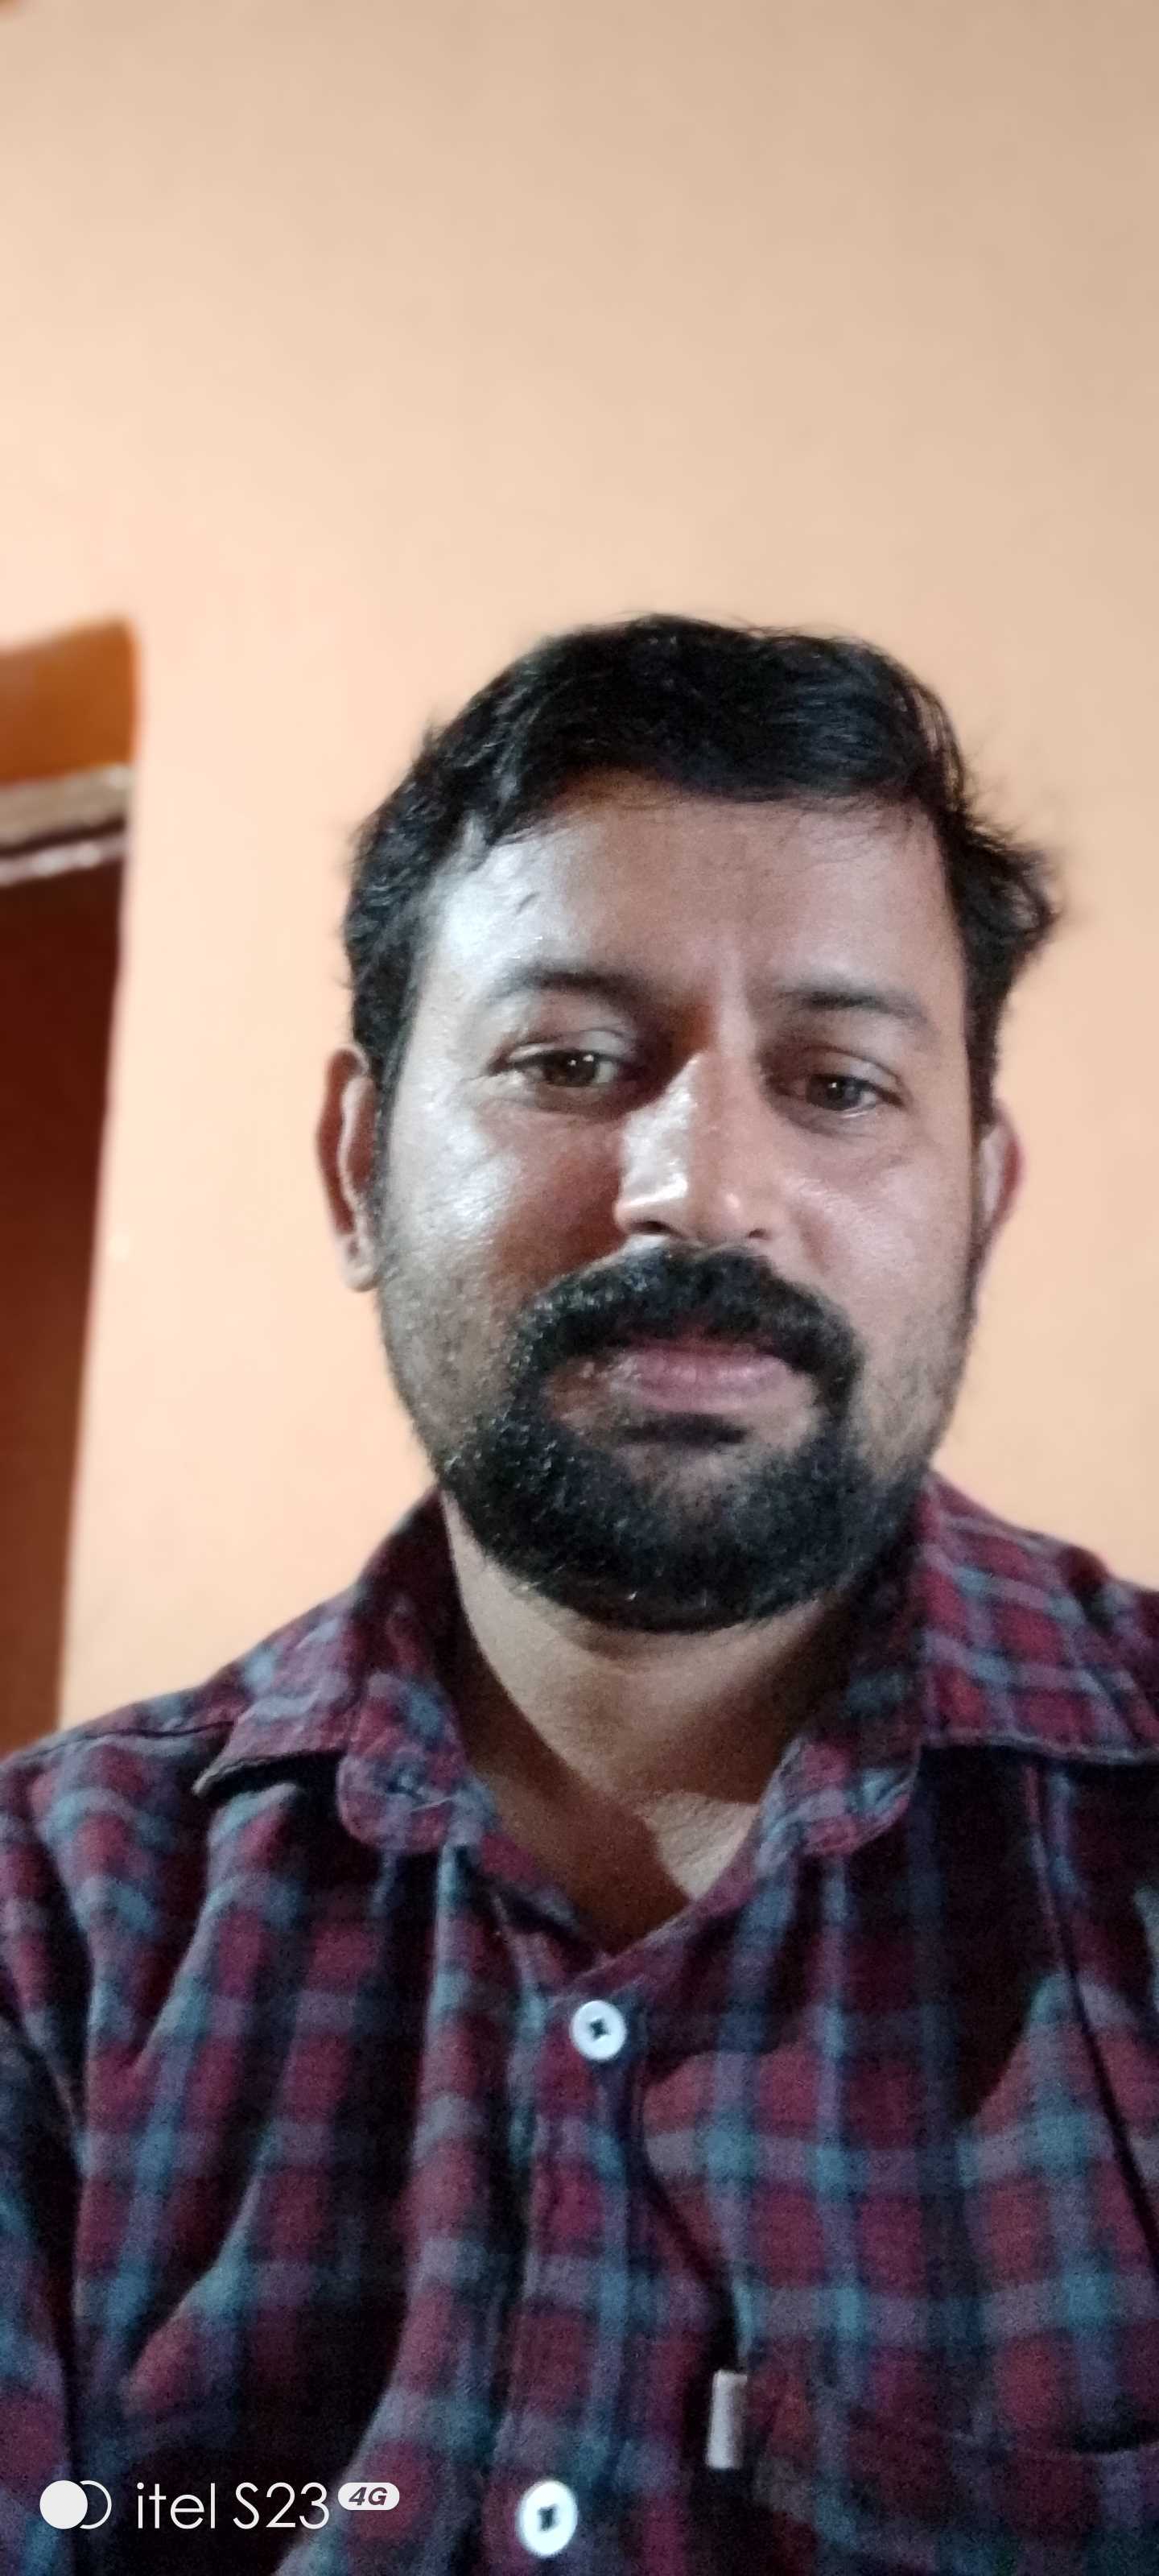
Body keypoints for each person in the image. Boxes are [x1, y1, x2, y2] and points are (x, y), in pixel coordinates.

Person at [2, 615, 1157, 2576]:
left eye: (840, 1082)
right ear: (358, 1167)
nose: (702, 1188)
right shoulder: (52, 1931)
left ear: (980, 1198)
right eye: (567, 1061)